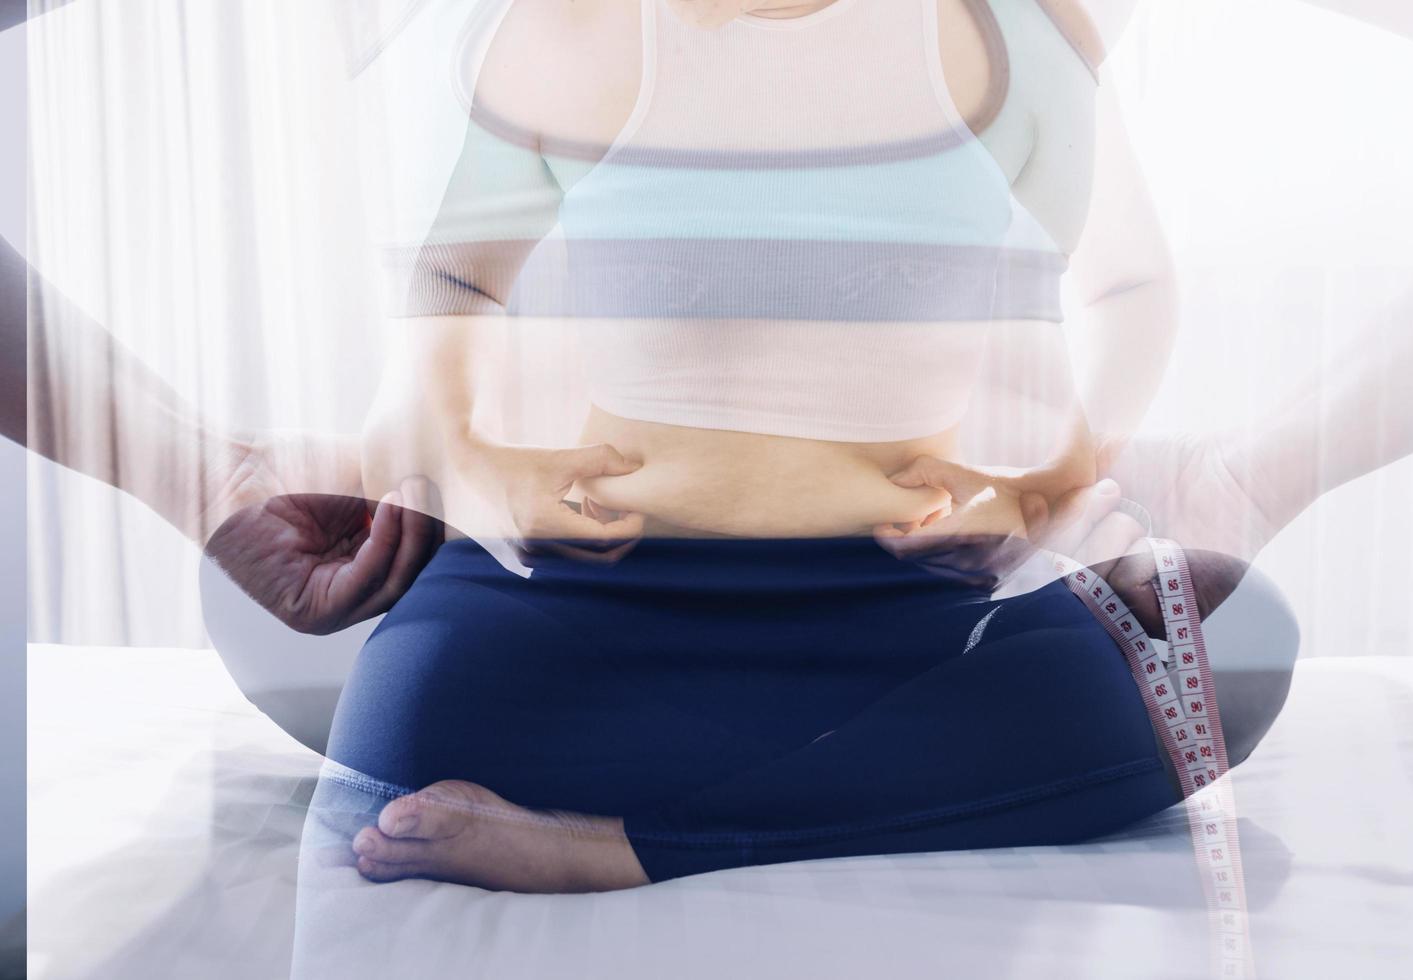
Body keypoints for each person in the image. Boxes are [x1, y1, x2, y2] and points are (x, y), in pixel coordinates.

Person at [306, 0, 1286, 897]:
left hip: (905, 605)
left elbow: (1126, 291)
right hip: (608, 590)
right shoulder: (571, 27)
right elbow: (453, 278)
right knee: (402, 703)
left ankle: (626, 842)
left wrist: (1044, 484)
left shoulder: (1013, 35)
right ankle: (862, 777)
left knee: (1239, 648)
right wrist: (479, 465)